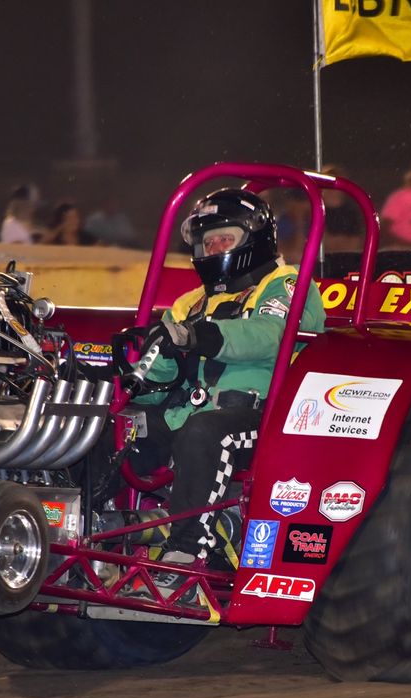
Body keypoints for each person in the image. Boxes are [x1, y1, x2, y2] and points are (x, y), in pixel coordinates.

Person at [127, 188, 326, 578]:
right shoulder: (190, 303)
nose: (215, 247)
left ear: (252, 239)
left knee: (205, 431)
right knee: (118, 425)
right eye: (207, 241)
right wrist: (154, 354)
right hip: (191, 413)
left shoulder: (287, 284)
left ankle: (186, 554)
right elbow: (163, 375)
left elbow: (270, 335)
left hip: (269, 419)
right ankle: (90, 537)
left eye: (225, 238)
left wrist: (199, 337)